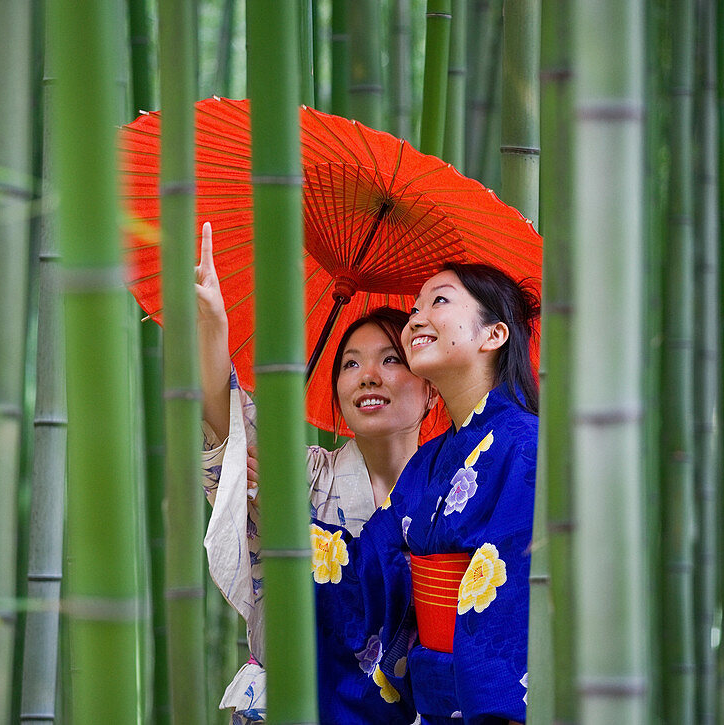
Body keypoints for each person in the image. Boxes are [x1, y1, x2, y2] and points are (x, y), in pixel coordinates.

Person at [193, 223, 438, 724]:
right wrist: (212, 326)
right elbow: (225, 426)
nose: (367, 374)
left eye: (392, 359)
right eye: (350, 364)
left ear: (431, 389)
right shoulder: (298, 471)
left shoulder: (452, 488)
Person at [312, 262, 540, 724]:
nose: (416, 317)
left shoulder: (527, 446)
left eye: (438, 300)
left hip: (493, 708)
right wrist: (273, 515)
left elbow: (515, 617)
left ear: (493, 335)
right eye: (415, 307)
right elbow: (364, 578)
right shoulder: (428, 464)